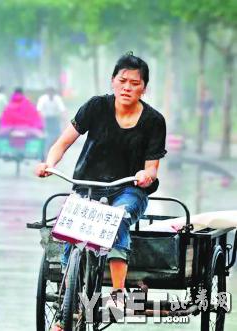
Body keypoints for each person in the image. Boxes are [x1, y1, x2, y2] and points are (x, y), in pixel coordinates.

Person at [34, 53, 167, 324]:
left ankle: (118, 292)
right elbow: (62, 143)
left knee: (116, 217)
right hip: (87, 187)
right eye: (122, 81)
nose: (127, 87)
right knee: (70, 237)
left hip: (128, 190)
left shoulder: (154, 121)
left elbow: (152, 169)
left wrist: (145, 174)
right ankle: (64, 308)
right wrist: (48, 163)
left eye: (134, 83)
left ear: (144, 87)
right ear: (113, 81)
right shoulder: (96, 107)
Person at [36, 87, 66, 154]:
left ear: (54, 93)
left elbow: (63, 110)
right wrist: (40, 121)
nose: (50, 95)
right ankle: (45, 150)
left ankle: (56, 149)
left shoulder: (57, 99)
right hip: (46, 119)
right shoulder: (43, 99)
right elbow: (39, 110)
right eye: (49, 93)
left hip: (55, 119)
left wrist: (64, 121)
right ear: (47, 93)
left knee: (57, 134)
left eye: (52, 93)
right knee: (46, 135)